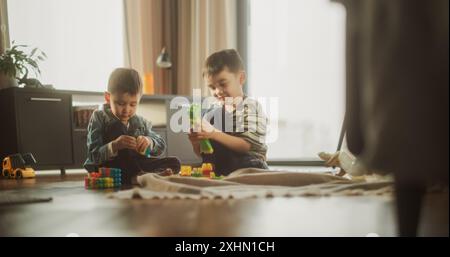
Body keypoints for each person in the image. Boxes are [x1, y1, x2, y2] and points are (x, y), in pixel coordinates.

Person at [84, 68, 180, 184]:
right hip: (110, 166)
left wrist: (149, 142)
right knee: (117, 127)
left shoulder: (140, 122)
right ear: (108, 98)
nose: (126, 110)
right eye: (121, 103)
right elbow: (93, 156)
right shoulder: (99, 117)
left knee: (174, 162)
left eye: (133, 104)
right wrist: (115, 145)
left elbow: (161, 147)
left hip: (135, 164)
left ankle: (143, 176)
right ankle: (142, 176)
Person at [188, 49, 269, 175]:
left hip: (249, 163)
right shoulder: (211, 114)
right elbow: (205, 153)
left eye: (223, 84)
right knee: (206, 164)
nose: (218, 91)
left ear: (241, 78)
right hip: (221, 167)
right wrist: (197, 142)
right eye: (212, 87)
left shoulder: (251, 108)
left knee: (250, 165)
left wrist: (213, 133)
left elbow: (246, 146)